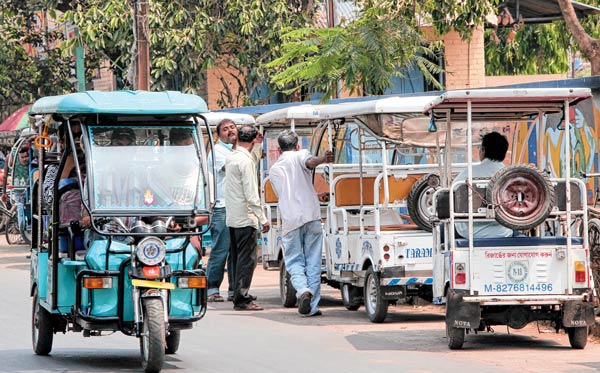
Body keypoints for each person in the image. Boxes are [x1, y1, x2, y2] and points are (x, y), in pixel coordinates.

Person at [269, 130, 333, 316]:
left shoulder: (274, 169)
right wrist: (322, 159)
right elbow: (309, 162)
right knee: (313, 260)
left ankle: (303, 289)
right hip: (311, 216)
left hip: (290, 220)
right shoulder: (300, 155)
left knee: (294, 260)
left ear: (279, 149)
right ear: (297, 145)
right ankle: (312, 306)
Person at [225, 124, 269, 311]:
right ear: (251, 140)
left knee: (237, 259)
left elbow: (252, 158)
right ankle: (242, 299)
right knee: (247, 260)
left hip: (233, 216)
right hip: (245, 216)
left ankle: (239, 293)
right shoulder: (245, 161)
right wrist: (263, 218)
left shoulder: (233, 157)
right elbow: (251, 193)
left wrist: (257, 145)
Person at [454, 131, 512, 239]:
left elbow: (453, 198)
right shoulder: (511, 176)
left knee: (443, 229)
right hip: (503, 232)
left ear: (483, 151)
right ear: (504, 153)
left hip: (468, 233)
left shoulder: (467, 175)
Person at [206, 119, 238, 302]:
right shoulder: (218, 151)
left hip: (237, 206)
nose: (230, 131)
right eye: (225, 129)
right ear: (219, 135)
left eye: (232, 127)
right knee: (221, 249)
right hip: (222, 206)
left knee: (236, 250)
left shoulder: (238, 151)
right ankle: (212, 288)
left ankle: (235, 289)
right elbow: (230, 167)